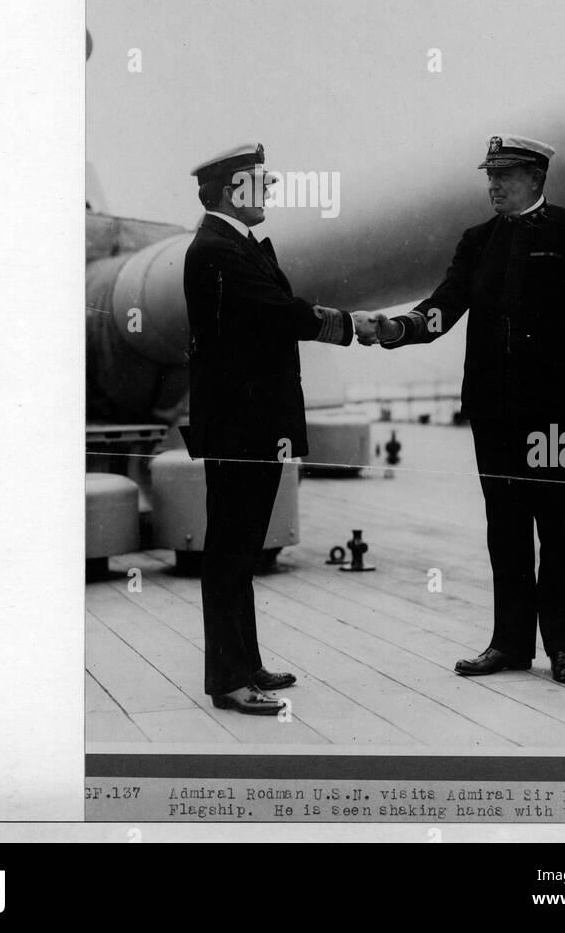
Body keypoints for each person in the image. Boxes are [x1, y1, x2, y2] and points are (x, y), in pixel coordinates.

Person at [355, 135, 565, 685]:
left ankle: (564, 648)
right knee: (503, 527)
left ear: (535, 176)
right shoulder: (477, 241)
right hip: (493, 411)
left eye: (503, 176)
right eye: (490, 175)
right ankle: (509, 645)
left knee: (557, 526)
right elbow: (443, 306)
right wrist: (395, 330)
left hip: (555, 414)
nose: (492, 185)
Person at [183, 142, 354, 715]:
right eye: (262, 182)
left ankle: (246, 661)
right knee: (230, 551)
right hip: (239, 427)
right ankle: (228, 681)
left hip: (252, 424)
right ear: (234, 191)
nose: (271, 190)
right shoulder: (215, 250)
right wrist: (355, 326)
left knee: (243, 548)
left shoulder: (236, 245)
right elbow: (280, 314)